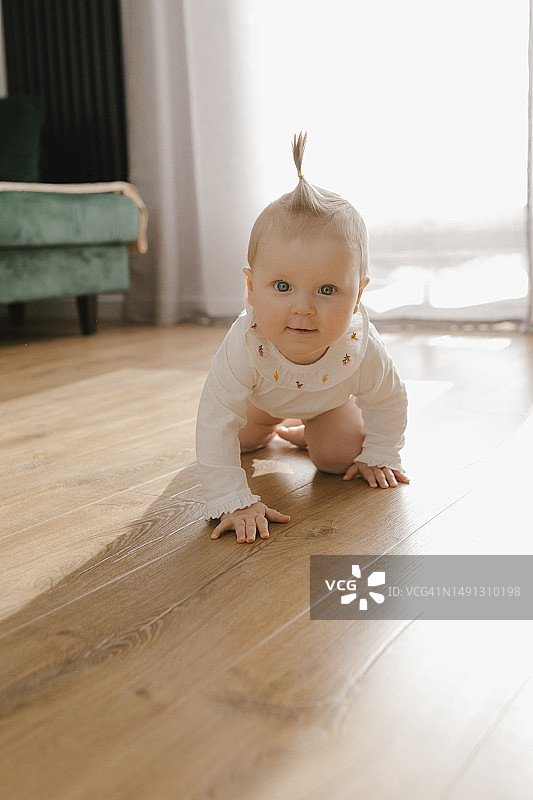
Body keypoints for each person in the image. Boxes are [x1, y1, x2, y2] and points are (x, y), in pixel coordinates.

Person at [196, 132, 409, 543]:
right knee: (237, 442)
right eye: (281, 286)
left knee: (339, 456)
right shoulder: (246, 343)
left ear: (358, 294)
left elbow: (388, 399)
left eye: (327, 290)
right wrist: (231, 498)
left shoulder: (360, 348)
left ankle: (307, 430)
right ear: (251, 287)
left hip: (329, 402)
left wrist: (382, 451)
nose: (303, 308)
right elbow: (216, 415)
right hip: (260, 400)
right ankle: (278, 426)